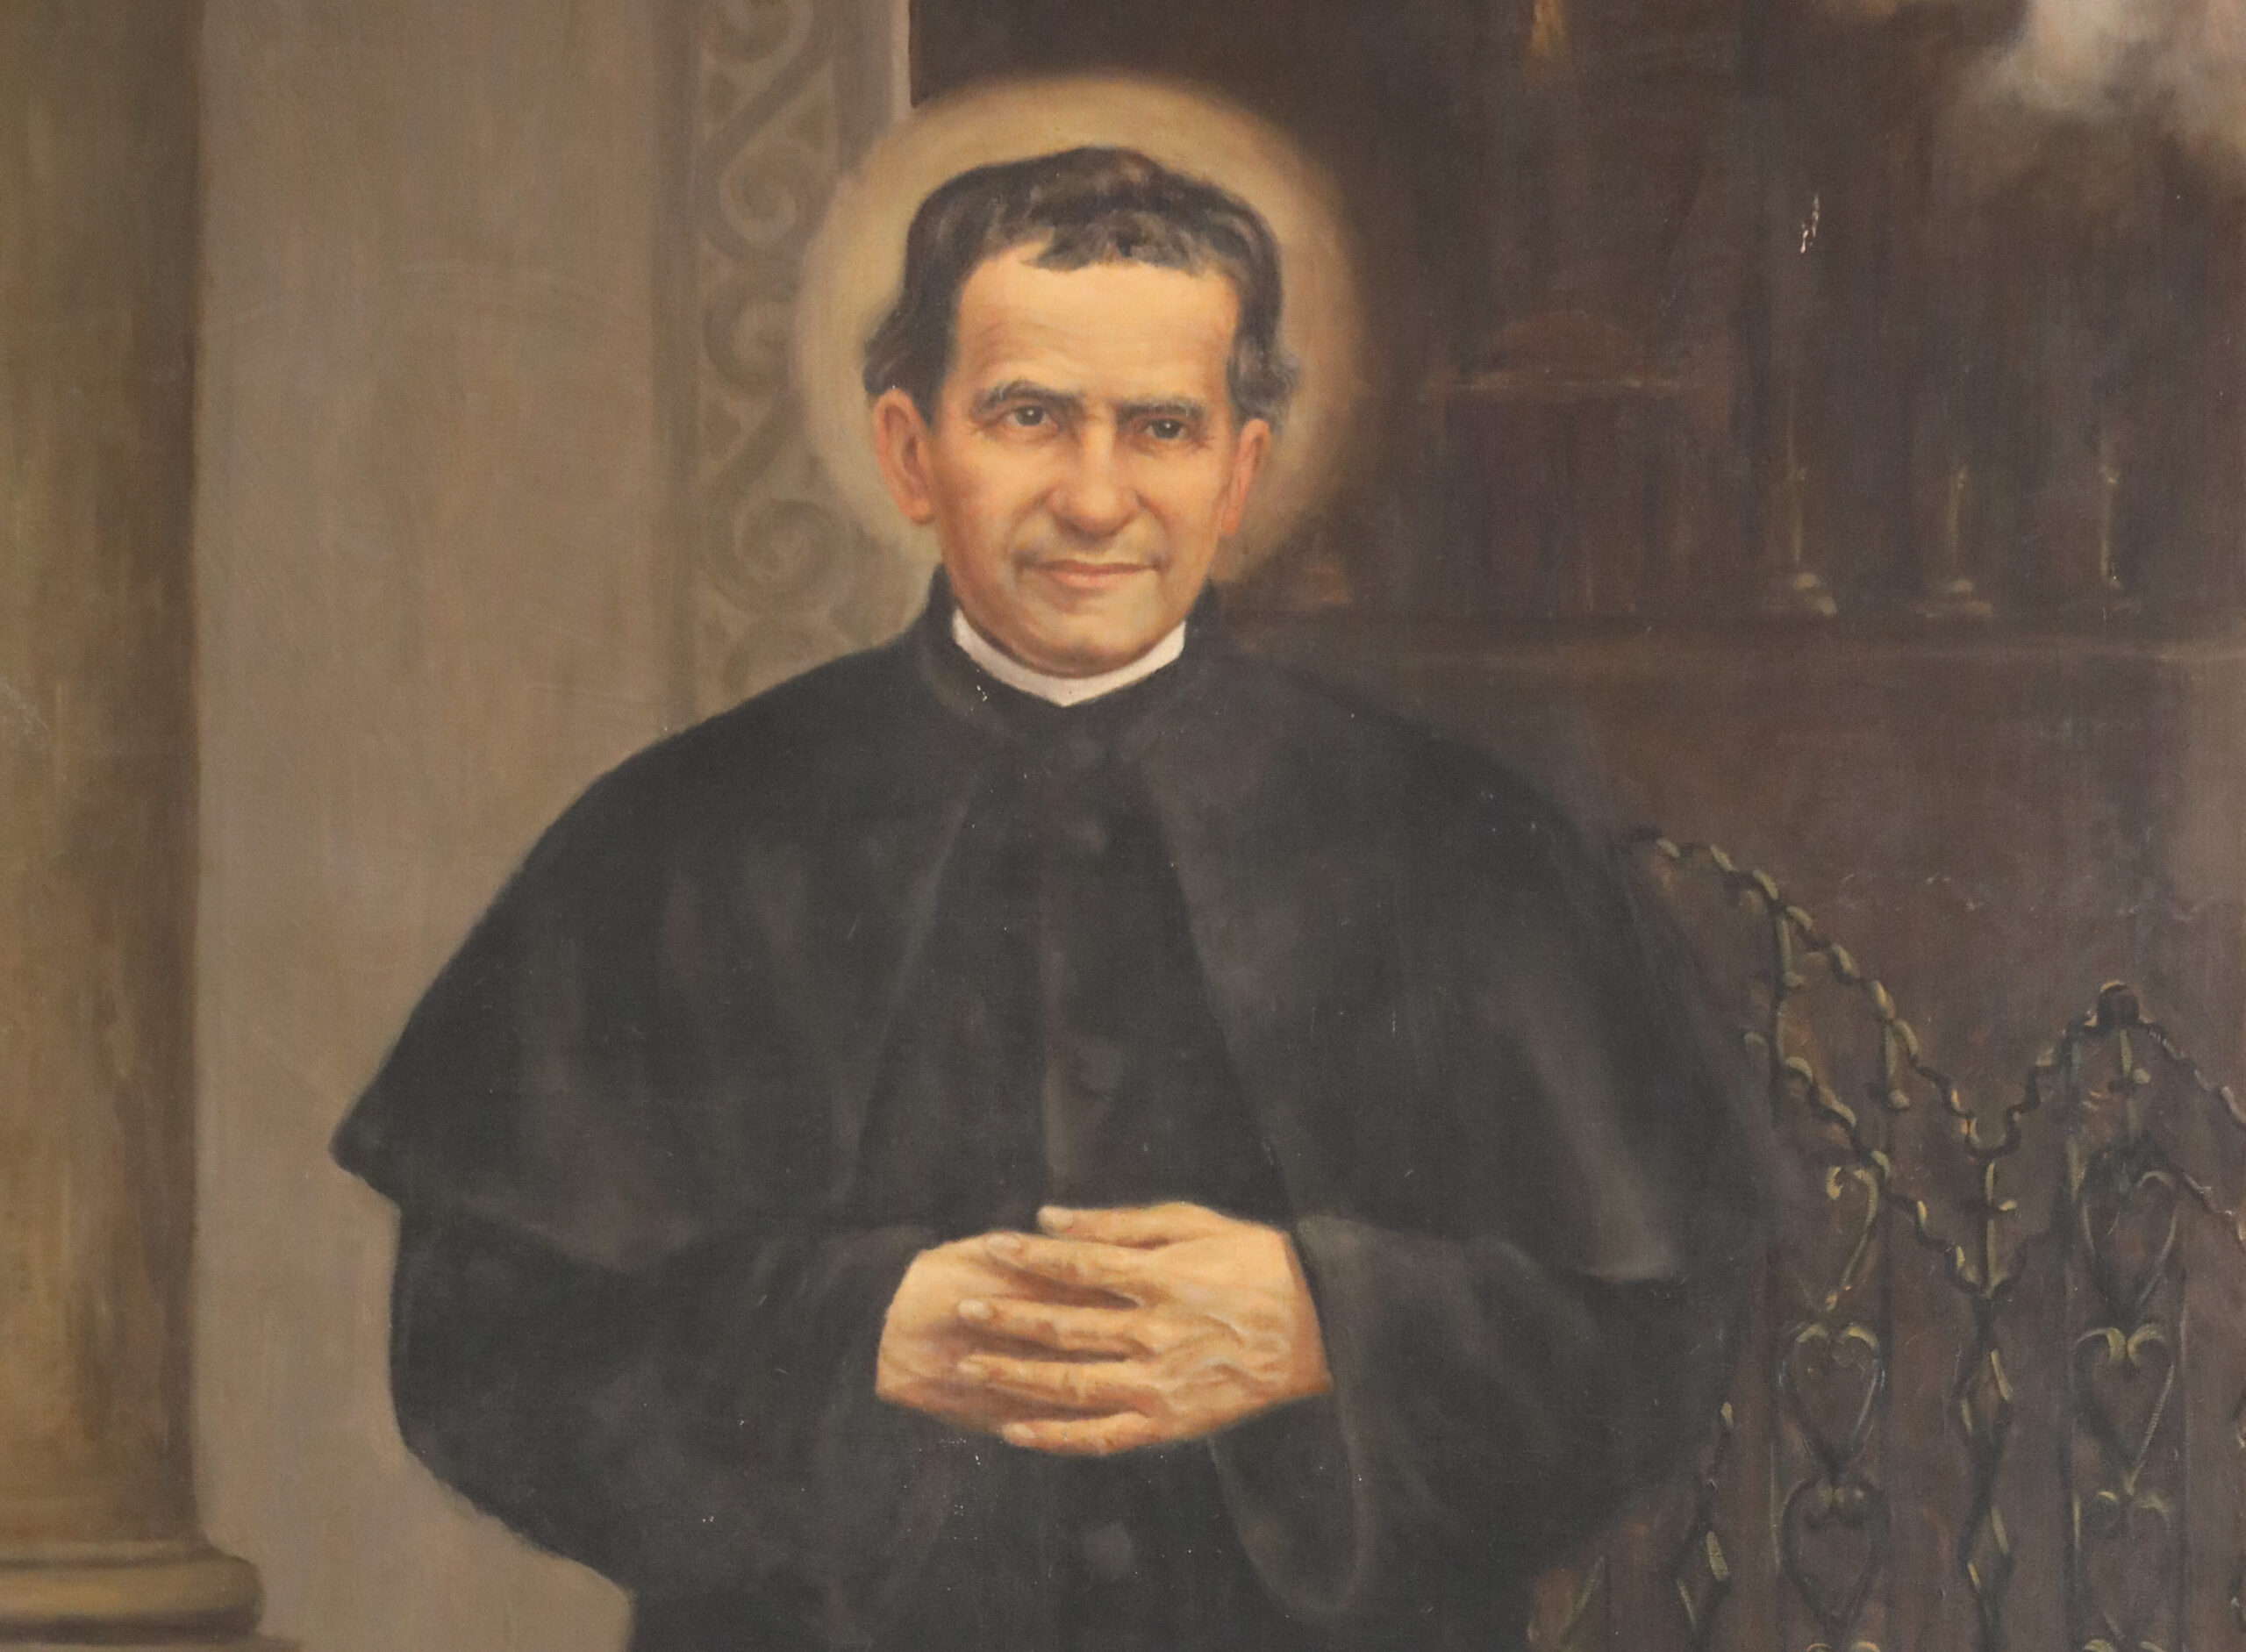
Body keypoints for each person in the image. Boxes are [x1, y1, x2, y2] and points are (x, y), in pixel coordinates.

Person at [335, 145, 1751, 1652]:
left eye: (1161, 427)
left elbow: (1655, 1355)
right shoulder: (678, 840)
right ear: (909, 450)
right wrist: (854, 1337)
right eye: (1029, 416)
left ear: (1240, 473)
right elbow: (478, 1362)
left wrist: (1322, 1326)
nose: (1093, 497)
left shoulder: (1458, 845)